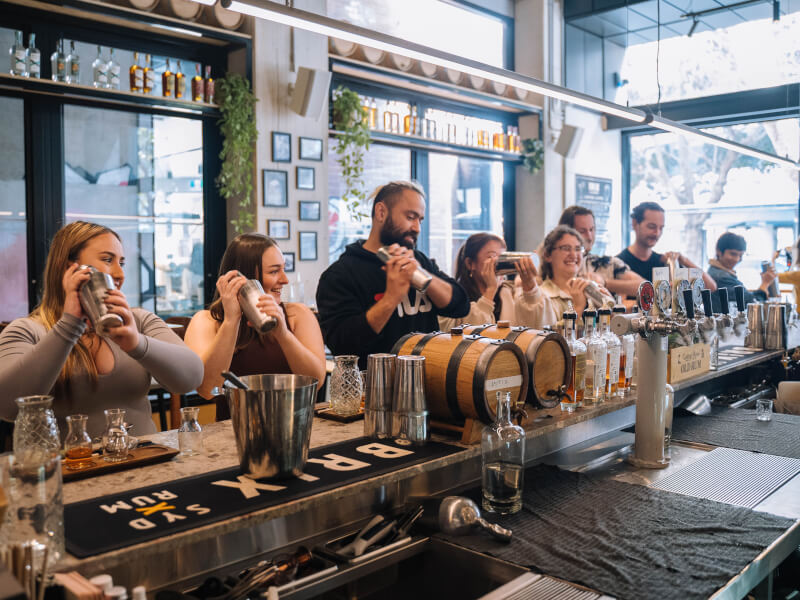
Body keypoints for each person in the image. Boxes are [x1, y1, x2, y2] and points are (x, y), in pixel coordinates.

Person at [0, 221, 204, 438]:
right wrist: (69, 326)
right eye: (107, 260)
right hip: (69, 469)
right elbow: (7, 407)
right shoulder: (27, 330)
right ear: (69, 269)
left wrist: (137, 344)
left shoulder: (139, 322)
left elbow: (191, 378)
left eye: (121, 263)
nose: (119, 274)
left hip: (145, 464)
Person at [316, 181, 470, 367]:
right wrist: (390, 299)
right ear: (381, 212)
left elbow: (460, 306)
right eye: (410, 217)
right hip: (375, 389)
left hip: (431, 383)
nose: (417, 228)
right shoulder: (340, 275)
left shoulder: (419, 260)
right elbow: (343, 346)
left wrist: (421, 274)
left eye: (420, 220)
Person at [184, 233, 326, 420]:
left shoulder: (296, 315)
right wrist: (231, 321)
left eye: (283, 269)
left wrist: (283, 334)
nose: (284, 279)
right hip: (234, 434)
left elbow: (317, 381)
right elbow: (207, 389)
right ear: (247, 276)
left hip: (293, 427)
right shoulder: (207, 321)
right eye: (274, 271)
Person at [438, 232, 539, 330]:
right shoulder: (455, 298)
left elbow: (531, 329)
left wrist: (530, 287)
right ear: (470, 263)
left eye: (502, 257)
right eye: (492, 256)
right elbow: (472, 337)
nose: (498, 263)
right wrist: (490, 289)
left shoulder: (509, 293)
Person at [617, 201, 717, 291]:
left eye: (661, 228)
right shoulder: (619, 263)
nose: (657, 233)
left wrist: (685, 261)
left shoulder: (665, 262)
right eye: (651, 227)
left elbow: (710, 287)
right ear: (635, 223)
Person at [530, 225, 614, 329]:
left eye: (578, 249)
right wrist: (578, 308)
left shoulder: (590, 290)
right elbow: (549, 340)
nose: (573, 254)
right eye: (566, 248)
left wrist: (609, 308)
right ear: (548, 255)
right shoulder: (541, 297)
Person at [558, 205, 644, 298]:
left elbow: (644, 287)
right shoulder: (554, 264)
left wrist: (605, 282)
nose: (590, 237)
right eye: (582, 231)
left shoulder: (606, 264)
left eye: (591, 229)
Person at [708, 232, 776, 311]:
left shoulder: (716, 271)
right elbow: (752, 304)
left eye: (740, 255)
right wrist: (765, 283)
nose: (737, 259)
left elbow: (746, 297)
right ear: (719, 251)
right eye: (733, 254)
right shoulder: (722, 277)